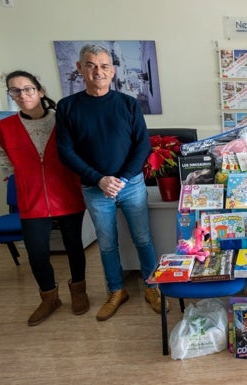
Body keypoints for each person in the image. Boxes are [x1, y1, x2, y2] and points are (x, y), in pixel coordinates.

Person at [56, 44, 167, 321]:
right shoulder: (68, 107)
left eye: (104, 65)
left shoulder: (128, 104)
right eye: (91, 65)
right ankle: (116, 290)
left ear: (113, 71)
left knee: (143, 238)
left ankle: (152, 286)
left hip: (131, 185)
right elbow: (65, 152)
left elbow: (142, 146)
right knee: (106, 243)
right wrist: (99, 179)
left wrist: (122, 178)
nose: (98, 71)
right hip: (95, 188)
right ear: (80, 69)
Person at [0, 70, 89, 326]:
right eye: (16, 91)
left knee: (74, 247)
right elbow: (6, 163)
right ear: (11, 95)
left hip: (66, 193)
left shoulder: (62, 120)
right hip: (31, 198)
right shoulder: (3, 129)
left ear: (40, 91)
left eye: (28, 89)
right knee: (36, 252)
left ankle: (79, 291)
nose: (22, 95)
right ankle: (49, 297)